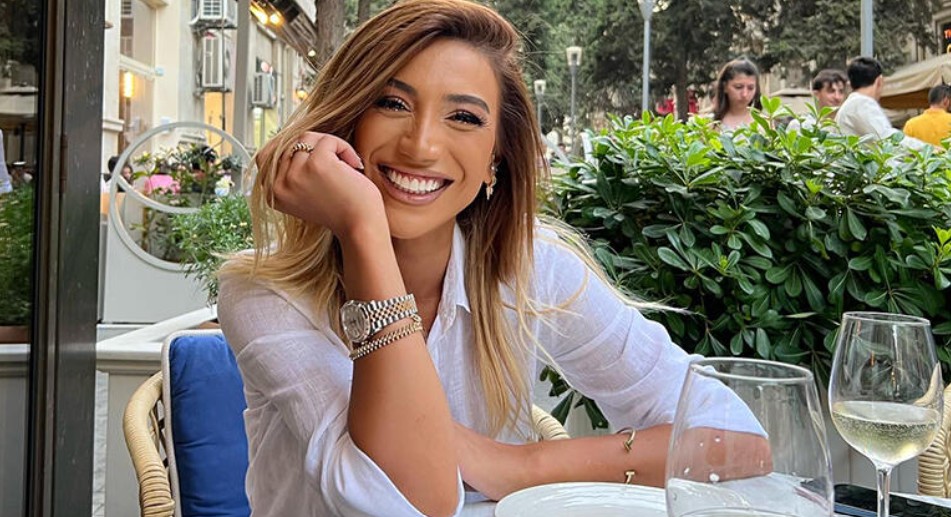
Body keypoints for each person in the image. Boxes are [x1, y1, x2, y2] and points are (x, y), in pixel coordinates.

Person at [216, 1, 770, 516]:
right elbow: (411, 502)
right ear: (346, 122)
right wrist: (363, 228)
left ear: (495, 157)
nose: (421, 146)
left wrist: (520, 465)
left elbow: (738, 439)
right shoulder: (265, 292)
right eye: (392, 103)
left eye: (463, 117)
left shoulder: (532, 269)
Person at [835, 56, 932, 150]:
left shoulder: (852, 103)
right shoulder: (862, 103)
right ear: (879, 81)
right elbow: (887, 139)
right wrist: (928, 149)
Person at [712, 58, 762, 132]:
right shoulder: (709, 123)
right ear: (725, 87)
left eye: (750, 88)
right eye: (738, 87)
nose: (744, 94)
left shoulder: (763, 123)